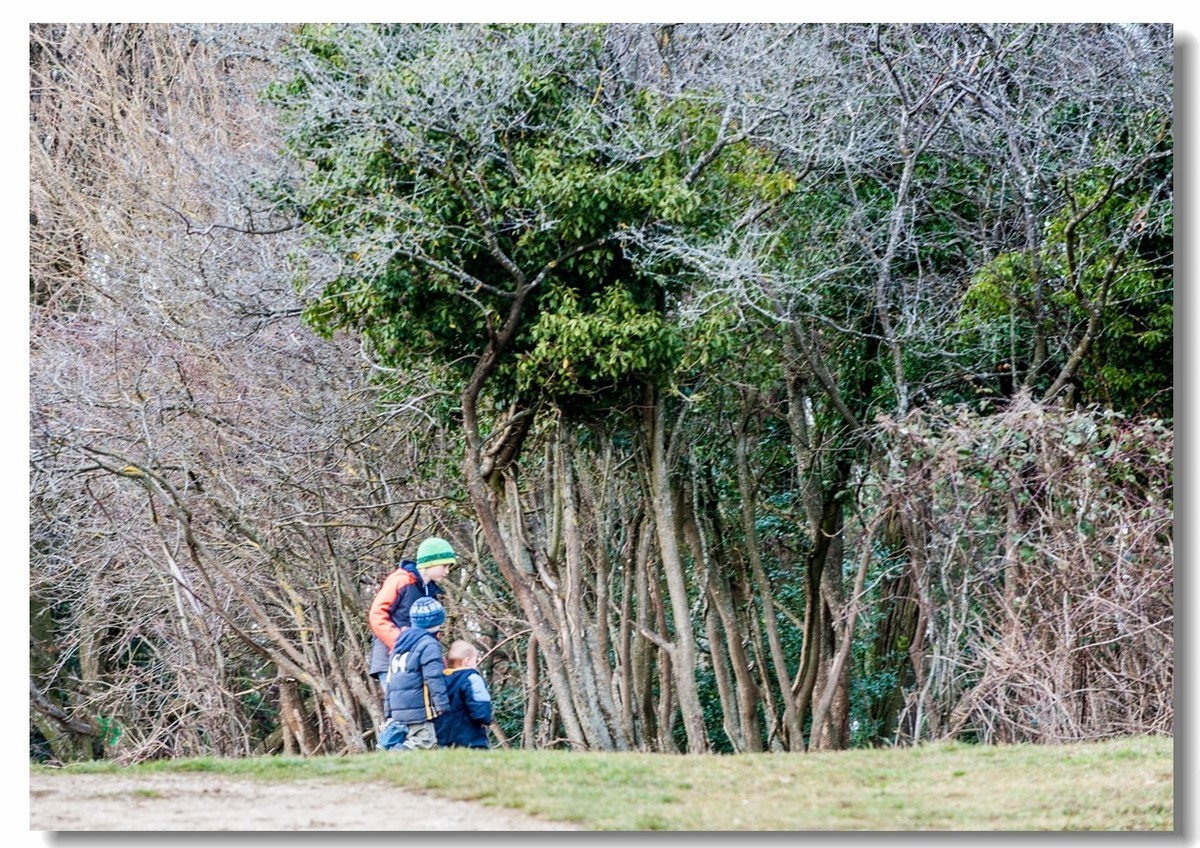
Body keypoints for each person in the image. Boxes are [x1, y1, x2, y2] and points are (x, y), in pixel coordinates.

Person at [367, 536, 455, 684]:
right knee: (399, 706)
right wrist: (401, 643)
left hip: (416, 661)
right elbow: (377, 615)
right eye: (444, 566)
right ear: (430, 563)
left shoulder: (431, 592)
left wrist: (436, 659)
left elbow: (431, 631)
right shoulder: (401, 580)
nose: (447, 571)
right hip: (391, 659)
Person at [381, 596, 449, 751]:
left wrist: (389, 710)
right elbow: (434, 677)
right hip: (418, 707)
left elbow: (390, 679)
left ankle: (388, 755)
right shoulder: (429, 644)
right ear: (438, 622)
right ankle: (392, 760)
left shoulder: (400, 644)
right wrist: (442, 705)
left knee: (406, 740)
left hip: (399, 707)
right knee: (423, 742)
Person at [435, 640, 494, 749]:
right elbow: (479, 701)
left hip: (444, 735)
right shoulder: (472, 678)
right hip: (470, 735)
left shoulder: (441, 680)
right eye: (475, 661)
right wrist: (485, 718)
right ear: (466, 661)